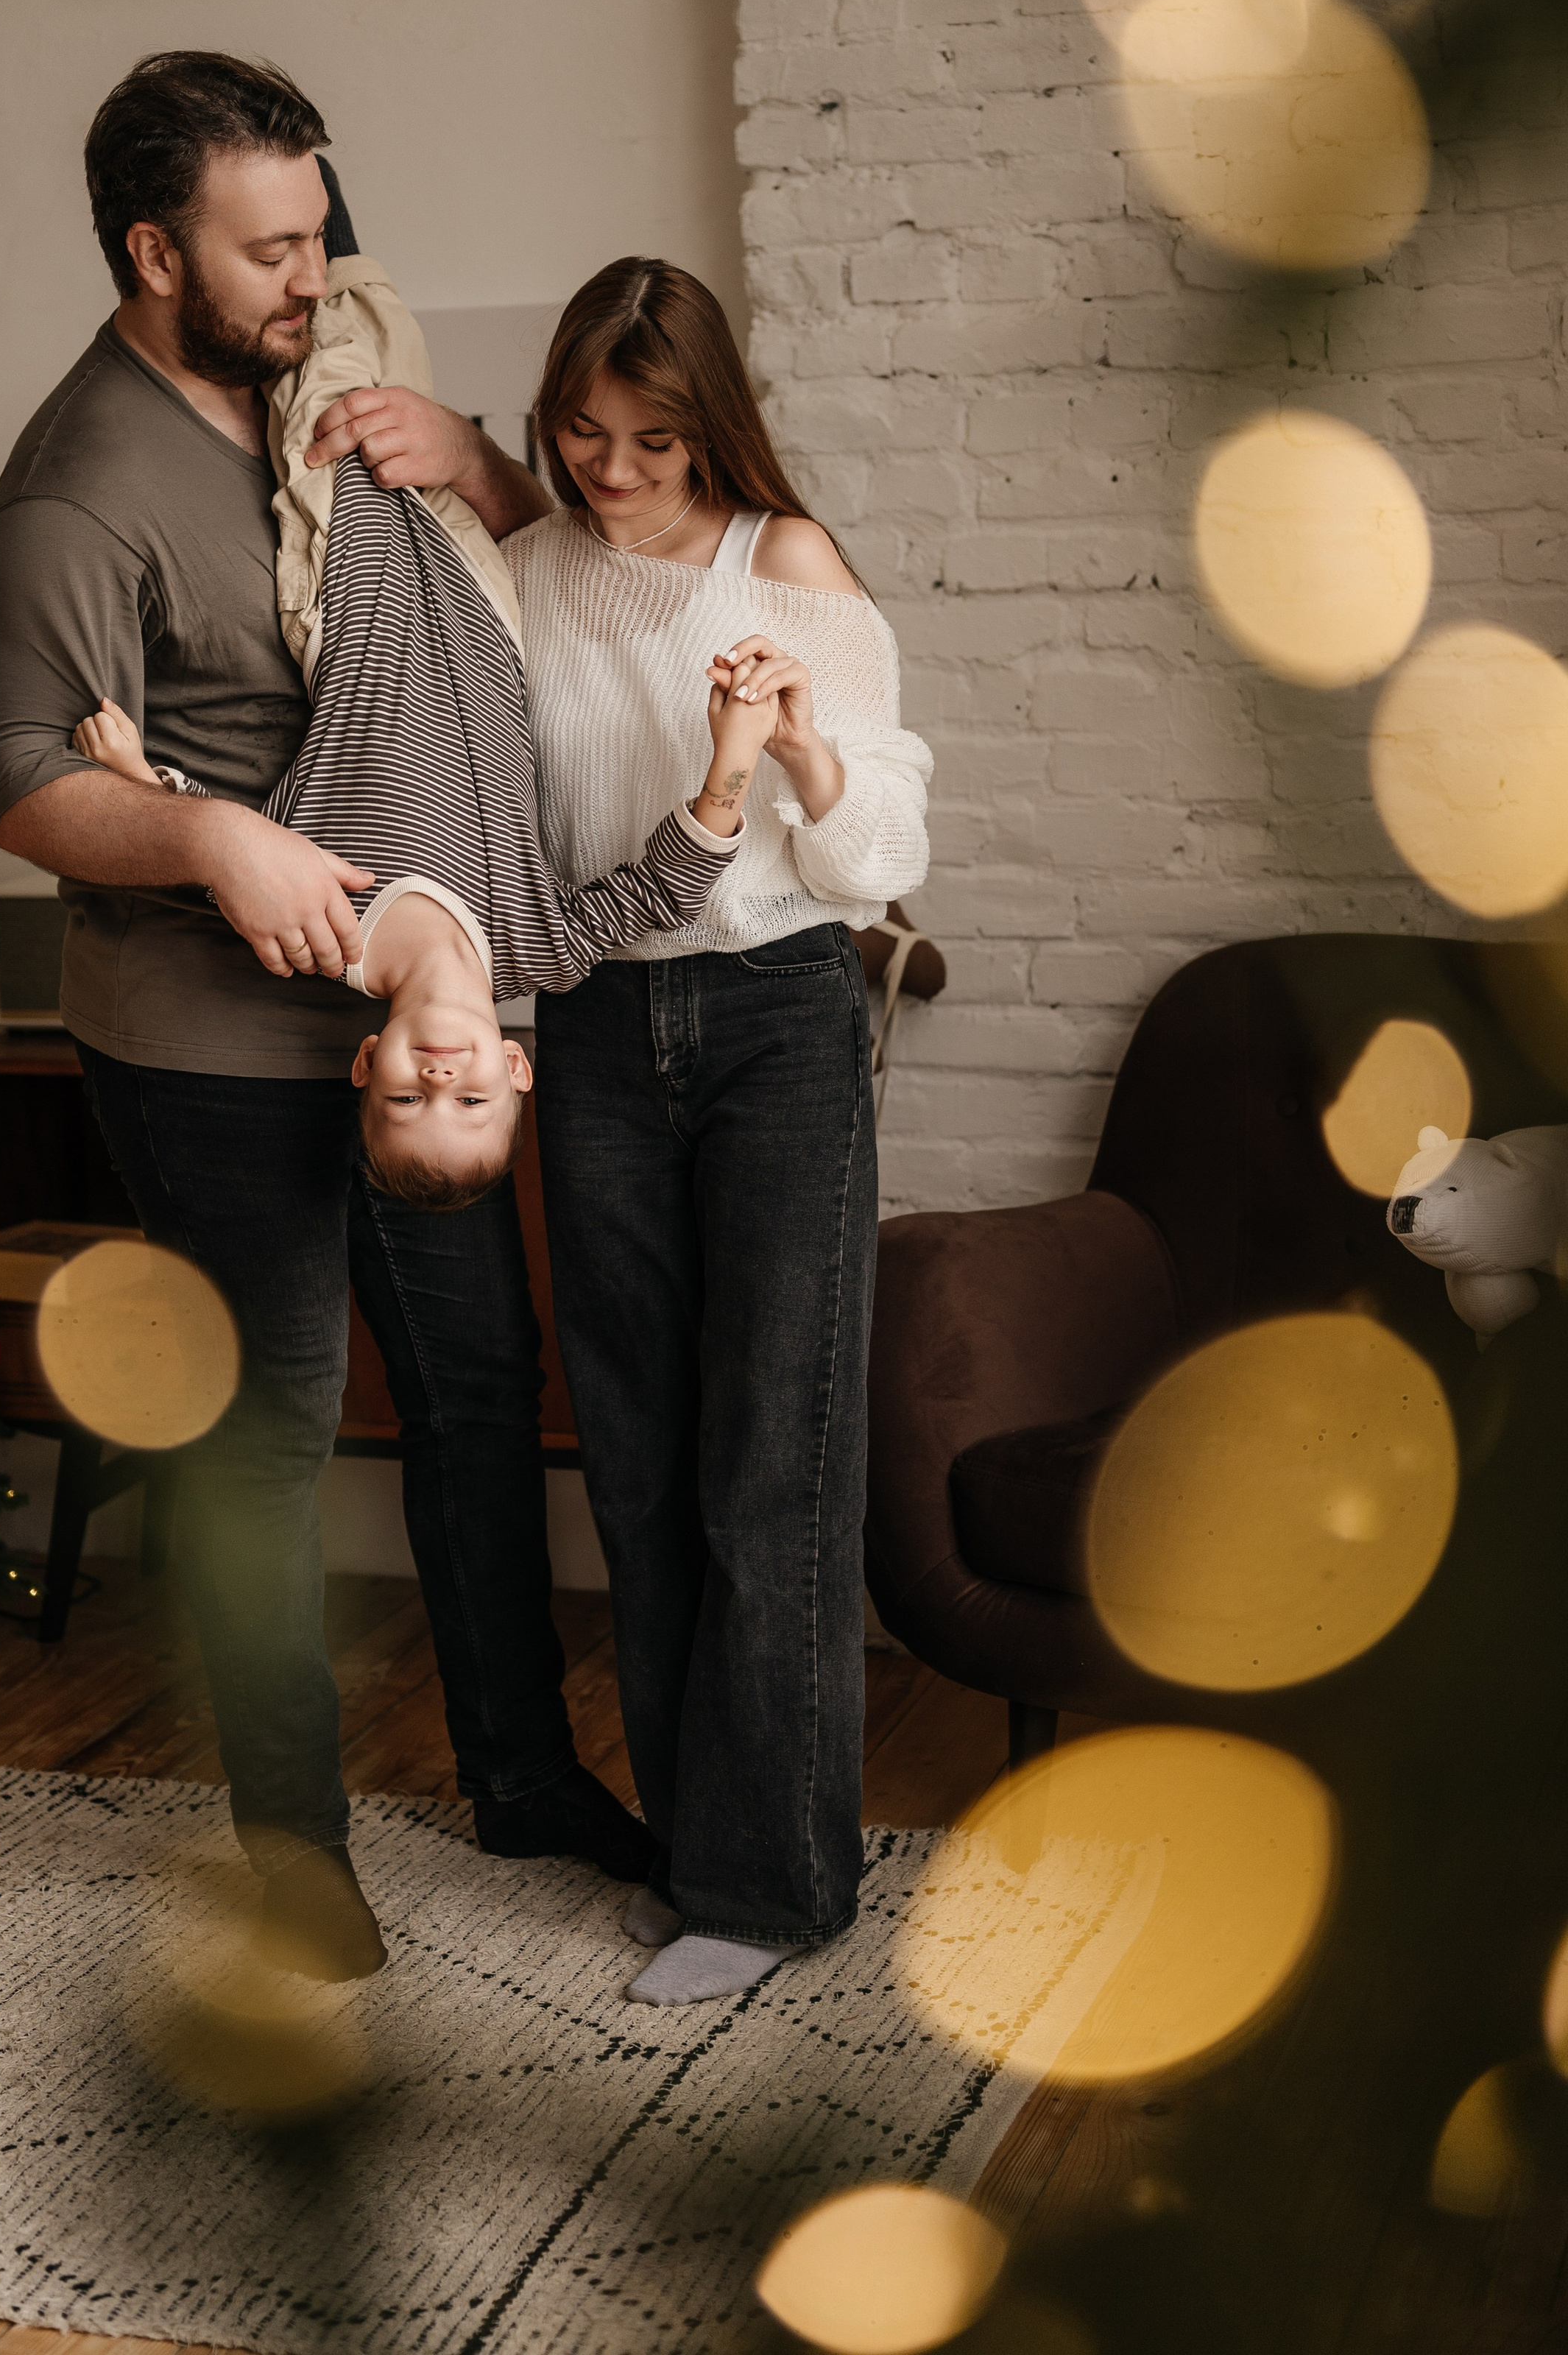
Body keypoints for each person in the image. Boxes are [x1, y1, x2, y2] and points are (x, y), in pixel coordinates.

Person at [0, 52, 648, 1985]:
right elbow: (18, 777)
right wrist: (206, 839)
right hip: (209, 1047)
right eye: (271, 246)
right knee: (269, 1436)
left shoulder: (323, 379)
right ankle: (292, 1845)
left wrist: (473, 460)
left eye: (322, 225)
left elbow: (476, 612)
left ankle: (523, 1776)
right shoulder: (78, 486)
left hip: (414, 1014)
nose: (314, 268)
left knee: (477, 1392)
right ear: (151, 249)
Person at [498, 258, 933, 2006]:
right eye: (583, 435)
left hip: (776, 1016)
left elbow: (881, 853)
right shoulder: (519, 580)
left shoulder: (789, 564)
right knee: (638, 1455)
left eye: (653, 440)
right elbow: (515, 831)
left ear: (709, 426)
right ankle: (703, 1859)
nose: (614, 471)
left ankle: (769, 1890)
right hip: (595, 1023)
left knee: (775, 1457)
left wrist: (809, 749)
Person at [68, 439, 772, 1205]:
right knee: (383, 370)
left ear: (367, 1062)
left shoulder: (322, 931)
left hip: (349, 553)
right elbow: (664, 892)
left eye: (407, 1100)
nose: (440, 1080)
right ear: (515, 1069)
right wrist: (736, 752)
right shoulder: (543, 948)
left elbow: (227, 853)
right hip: (473, 577)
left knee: (327, 365)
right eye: (471, 1102)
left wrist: (145, 781)